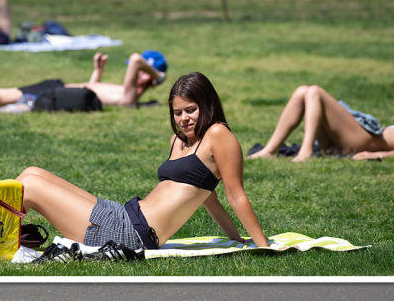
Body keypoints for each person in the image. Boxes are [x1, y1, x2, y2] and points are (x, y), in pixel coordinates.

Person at [16, 71, 270, 258]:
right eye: (177, 112)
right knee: (32, 172)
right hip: (122, 214)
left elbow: (235, 196)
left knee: (30, 185)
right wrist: (235, 240)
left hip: (130, 235)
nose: (183, 119)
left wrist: (263, 247)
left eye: (190, 110)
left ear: (207, 104)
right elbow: (207, 199)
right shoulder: (179, 141)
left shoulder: (218, 135)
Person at [0, 50, 167, 110]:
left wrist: (158, 76)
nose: (138, 73)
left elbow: (134, 58)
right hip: (58, 88)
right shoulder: (123, 91)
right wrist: (97, 71)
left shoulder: (130, 99)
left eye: (146, 72)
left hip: (54, 96)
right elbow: (90, 88)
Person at [246, 84, 394, 162]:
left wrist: (379, 154)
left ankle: (306, 150)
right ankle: (270, 150)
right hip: (348, 138)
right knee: (302, 91)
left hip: (364, 141)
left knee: (315, 91)